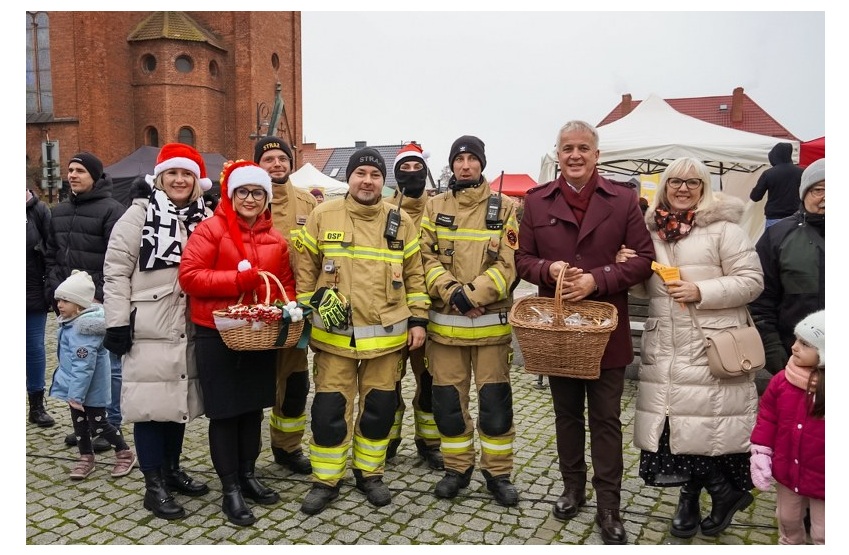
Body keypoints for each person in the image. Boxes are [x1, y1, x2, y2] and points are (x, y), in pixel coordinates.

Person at [514, 121, 654, 544]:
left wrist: (598, 279)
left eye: (583, 148)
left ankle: (609, 505)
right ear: (557, 154)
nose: (575, 155)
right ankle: (573, 489)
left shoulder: (624, 200)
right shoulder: (537, 203)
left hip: (606, 329)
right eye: (567, 148)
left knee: (607, 420)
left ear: (597, 154)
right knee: (567, 416)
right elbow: (523, 260)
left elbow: (643, 258)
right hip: (558, 332)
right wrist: (549, 269)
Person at [627, 157, 764, 539]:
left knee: (706, 428)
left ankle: (712, 496)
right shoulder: (651, 232)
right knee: (677, 429)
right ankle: (700, 498)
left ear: (704, 188)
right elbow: (645, 288)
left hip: (710, 344)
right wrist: (631, 267)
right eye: (675, 182)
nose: (683, 188)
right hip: (667, 345)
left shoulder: (725, 230)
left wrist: (701, 290)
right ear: (665, 187)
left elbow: (752, 281)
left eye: (692, 182)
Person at [294, 148, 429, 515]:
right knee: (328, 412)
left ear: (382, 181)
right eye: (360, 173)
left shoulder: (401, 222)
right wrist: (309, 305)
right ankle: (325, 479)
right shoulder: (323, 215)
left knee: (378, 411)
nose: (367, 180)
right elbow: (305, 267)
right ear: (349, 178)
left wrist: (418, 319)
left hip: (386, 341)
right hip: (334, 339)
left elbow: (416, 275)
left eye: (374, 174)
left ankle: (370, 474)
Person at [179, 160, 296, 527]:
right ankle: (229, 487)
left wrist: (286, 309)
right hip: (218, 332)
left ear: (266, 198)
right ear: (231, 194)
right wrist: (236, 280)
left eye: (257, 192)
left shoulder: (276, 239)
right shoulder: (210, 230)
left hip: (258, 333)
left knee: (252, 409)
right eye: (243, 191)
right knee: (226, 412)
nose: (250, 198)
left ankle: (248, 474)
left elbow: (285, 284)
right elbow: (190, 276)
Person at [103, 144, 213, 520]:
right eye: (173, 174)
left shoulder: (206, 216)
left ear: (198, 182)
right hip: (148, 324)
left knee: (175, 400)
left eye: (187, 175)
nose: (180, 180)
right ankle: (153, 485)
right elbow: (116, 273)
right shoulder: (137, 217)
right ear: (160, 178)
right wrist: (116, 322)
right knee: (150, 407)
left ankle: (171, 469)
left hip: (190, 324)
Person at [419, 135, 520, 506]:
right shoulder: (434, 207)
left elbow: (509, 263)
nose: (465, 165)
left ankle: (498, 474)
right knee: (447, 405)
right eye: (459, 159)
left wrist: (471, 296)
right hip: (445, 331)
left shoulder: (505, 207)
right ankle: (456, 468)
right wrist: (454, 295)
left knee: (495, 407)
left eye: (471, 159)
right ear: (452, 165)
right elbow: (423, 259)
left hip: (491, 330)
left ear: (482, 164)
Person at [44, 152, 126, 452]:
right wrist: (55, 288)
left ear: (95, 175)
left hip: (98, 304)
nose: (73, 175)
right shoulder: (60, 211)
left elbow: (116, 260)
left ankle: (110, 423)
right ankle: (87, 424)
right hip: (68, 305)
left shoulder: (112, 210)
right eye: (70, 170)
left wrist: (100, 295)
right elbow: (52, 252)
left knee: (108, 366)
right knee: (75, 363)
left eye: (79, 170)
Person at [254, 137, 316, 475]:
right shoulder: (244, 201)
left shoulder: (308, 203)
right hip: (252, 314)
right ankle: (245, 454)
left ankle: (287, 447)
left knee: (294, 385)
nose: (277, 164)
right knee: (250, 386)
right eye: (269, 159)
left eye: (282, 158)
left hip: (294, 312)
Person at [385, 142, 442, 470]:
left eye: (415, 167)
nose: (410, 174)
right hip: (391, 310)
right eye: (403, 168)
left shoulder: (436, 208)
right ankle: (389, 439)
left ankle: (429, 441)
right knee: (388, 380)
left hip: (430, 310)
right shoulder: (383, 208)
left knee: (430, 380)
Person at [48, 270, 137, 480]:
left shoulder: (83, 331)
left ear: (79, 305)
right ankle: (86, 457)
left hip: (89, 390)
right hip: (77, 390)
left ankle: (124, 453)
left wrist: (76, 396)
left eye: (66, 301)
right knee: (79, 425)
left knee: (100, 423)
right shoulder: (70, 323)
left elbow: (83, 367)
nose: (60, 304)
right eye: (59, 299)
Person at [750, 310, 824, 545]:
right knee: (787, 519)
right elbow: (768, 416)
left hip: (824, 477)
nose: (794, 347)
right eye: (796, 339)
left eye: (805, 343)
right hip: (788, 468)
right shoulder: (783, 380)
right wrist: (761, 451)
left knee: (825, 531)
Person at [749, 158, 824, 386]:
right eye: (818, 190)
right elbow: (760, 299)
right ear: (804, 193)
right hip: (796, 360)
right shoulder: (778, 235)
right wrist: (773, 351)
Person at [26, 187, 56, 428]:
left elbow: (51, 248)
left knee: (34, 348)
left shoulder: (37, 209)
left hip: (31, 290)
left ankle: (36, 405)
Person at [749, 142, 804, 229]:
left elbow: (755, 197)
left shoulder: (768, 173)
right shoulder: (801, 172)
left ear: (774, 156)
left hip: (774, 217)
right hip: (796, 217)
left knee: (772, 242)